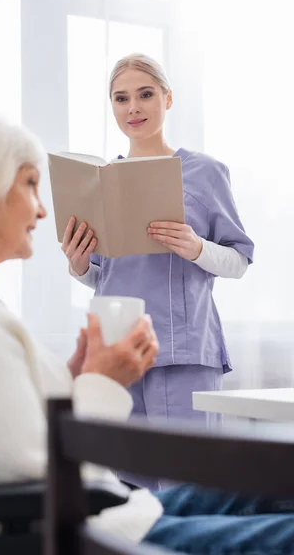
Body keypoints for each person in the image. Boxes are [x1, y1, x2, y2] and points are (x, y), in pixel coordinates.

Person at [0, 115, 291, 555]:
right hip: (94, 527)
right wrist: (102, 381)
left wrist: (75, 377)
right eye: (29, 185)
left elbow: (10, 428)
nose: (42, 210)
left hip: (115, 512)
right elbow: (38, 470)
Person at [62, 53, 255, 488]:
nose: (134, 108)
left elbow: (239, 260)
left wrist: (195, 246)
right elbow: (106, 273)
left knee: (187, 485)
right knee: (126, 489)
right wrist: (78, 265)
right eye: (121, 98)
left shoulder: (205, 173)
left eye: (145, 94)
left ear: (167, 99)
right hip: (117, 350)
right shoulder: (101, 181)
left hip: (182, 350)